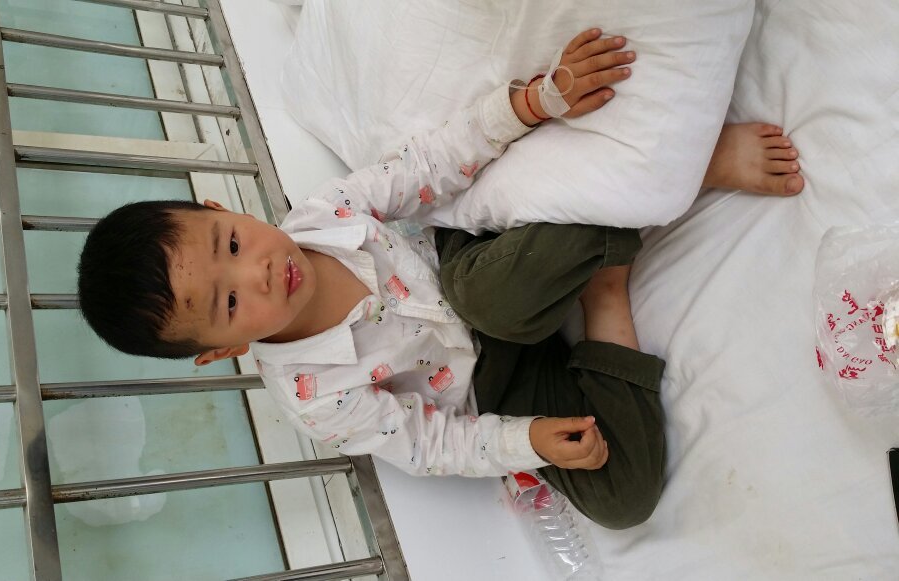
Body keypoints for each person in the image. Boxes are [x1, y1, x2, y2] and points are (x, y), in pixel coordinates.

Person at [77, 28, 803, 529]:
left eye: (233, 242)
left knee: (491, 297)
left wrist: (529, 104)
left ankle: (680, 175)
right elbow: (429, 445)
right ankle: (605, 289)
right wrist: (529, 441)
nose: (259, 271)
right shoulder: (314, 397)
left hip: (475, 273)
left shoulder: (325, 216)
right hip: (497, 386)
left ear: (221, 209)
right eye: (230, 301)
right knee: (623, 498)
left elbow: (426, 167)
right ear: (223, 349)